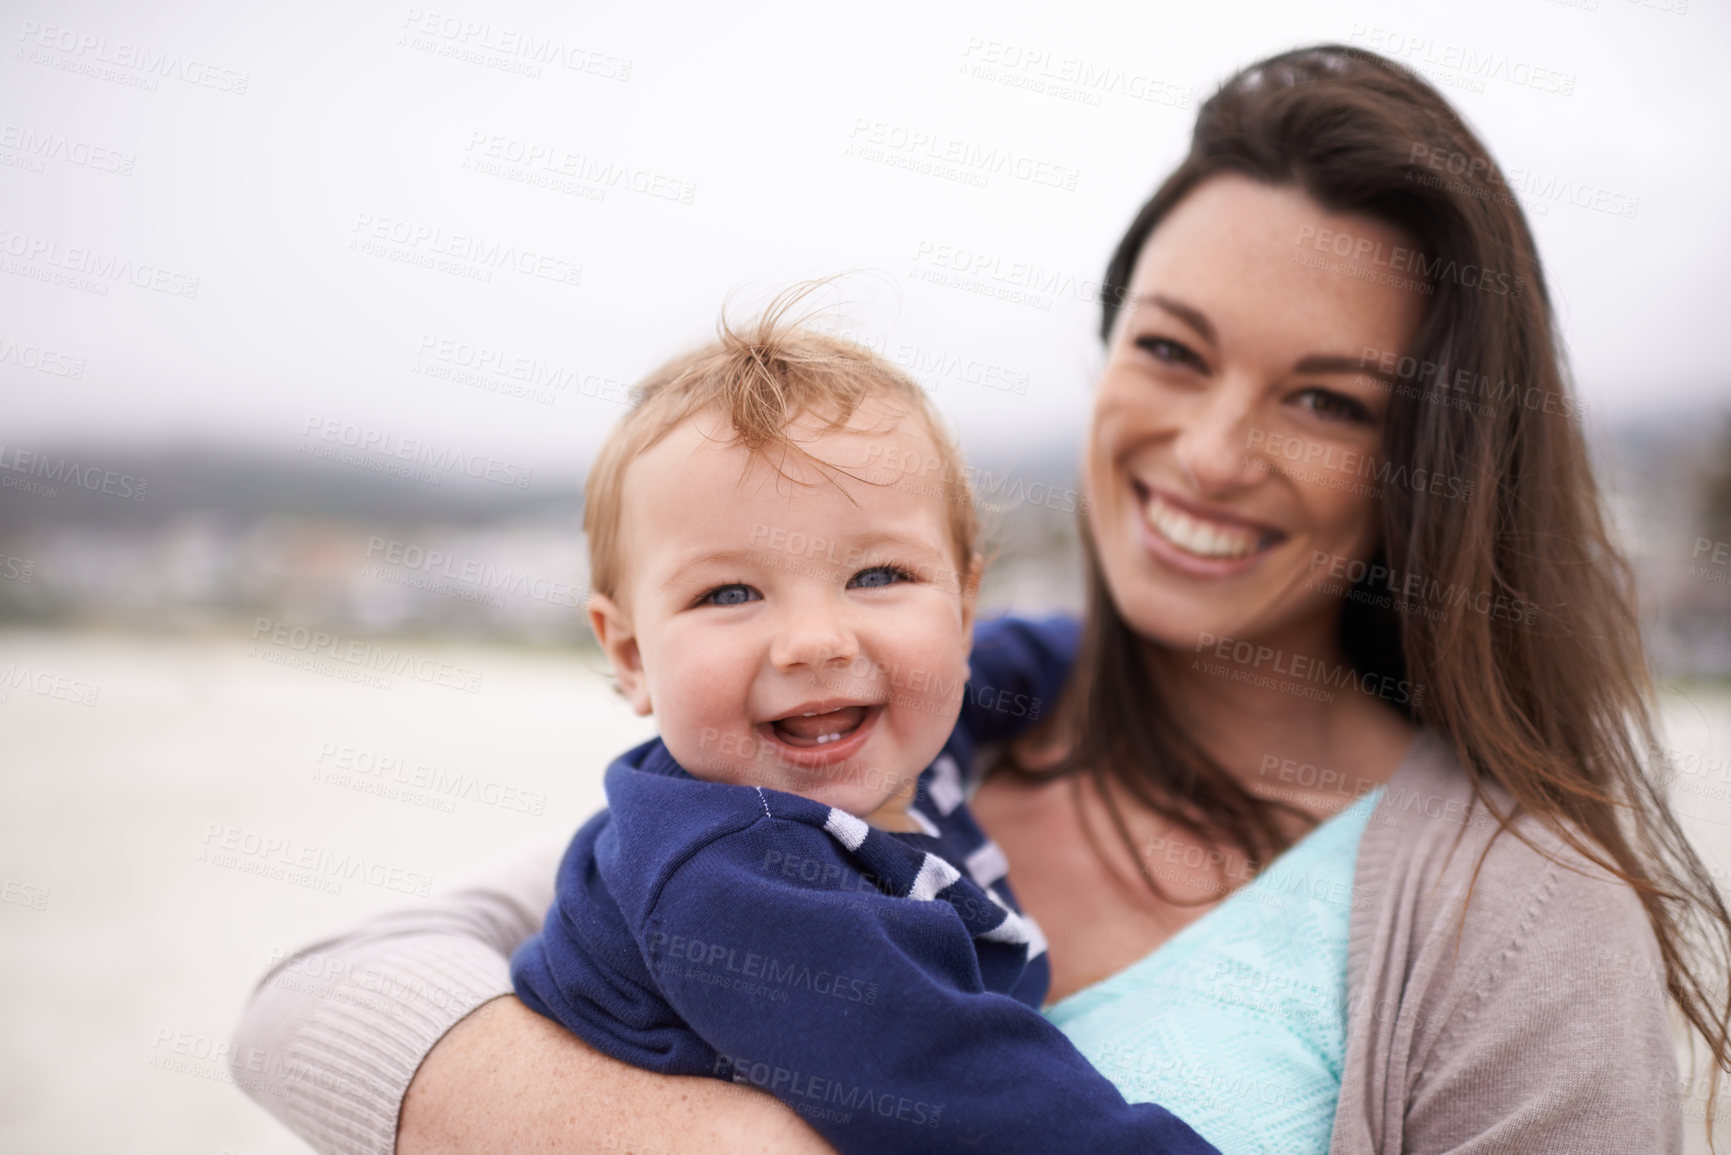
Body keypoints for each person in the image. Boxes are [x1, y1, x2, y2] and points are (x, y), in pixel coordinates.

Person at [229, 45, 1728, 1155]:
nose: (1206, 450)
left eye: (1324, 400)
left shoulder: (1517, 909)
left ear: (1433, 460)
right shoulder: (840, 757)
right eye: (1170, 349)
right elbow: (314, 1001)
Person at [507, 294, 1216, 1153]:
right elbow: (987, 1105)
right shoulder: (734, 879)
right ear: (629, 656)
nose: (816, 641)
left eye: (878, 575)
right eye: (728, 593)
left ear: (960, 609)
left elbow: (1020, 659)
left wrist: (1170, 652)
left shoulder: (905, 734)